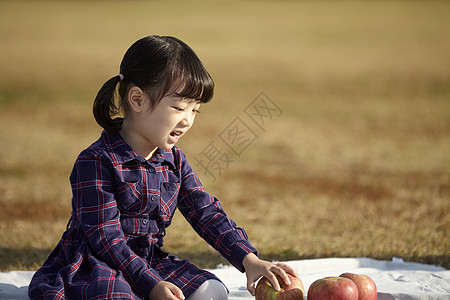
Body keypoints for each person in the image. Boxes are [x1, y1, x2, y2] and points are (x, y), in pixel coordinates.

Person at [28, 35, 296, 300]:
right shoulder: (96, 160)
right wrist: (150, 285)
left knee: (211, 292)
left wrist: (248, 259)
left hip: (150, 261)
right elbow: (104, 237)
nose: (188, 120)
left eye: (195, 110)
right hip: (97, 264)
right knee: (114, 295)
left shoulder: (175, 160)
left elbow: (206, 212)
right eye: (179, 107)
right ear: (137, 100)